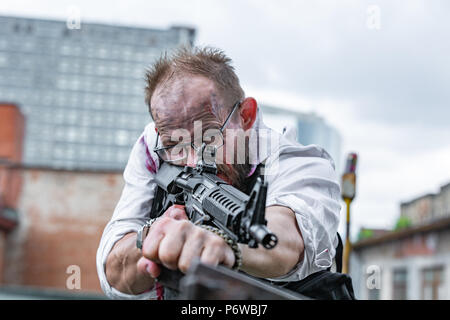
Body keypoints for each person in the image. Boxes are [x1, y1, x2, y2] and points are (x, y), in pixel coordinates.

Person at [96, 46, 341, 300]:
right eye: (175, 145)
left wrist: (226, 245)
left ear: (246, 115)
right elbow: (114, 270)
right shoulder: (154, 148)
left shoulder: (302, 163)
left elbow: (286, 240)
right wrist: (151, 238)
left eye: (209, 137)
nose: (193, 160)